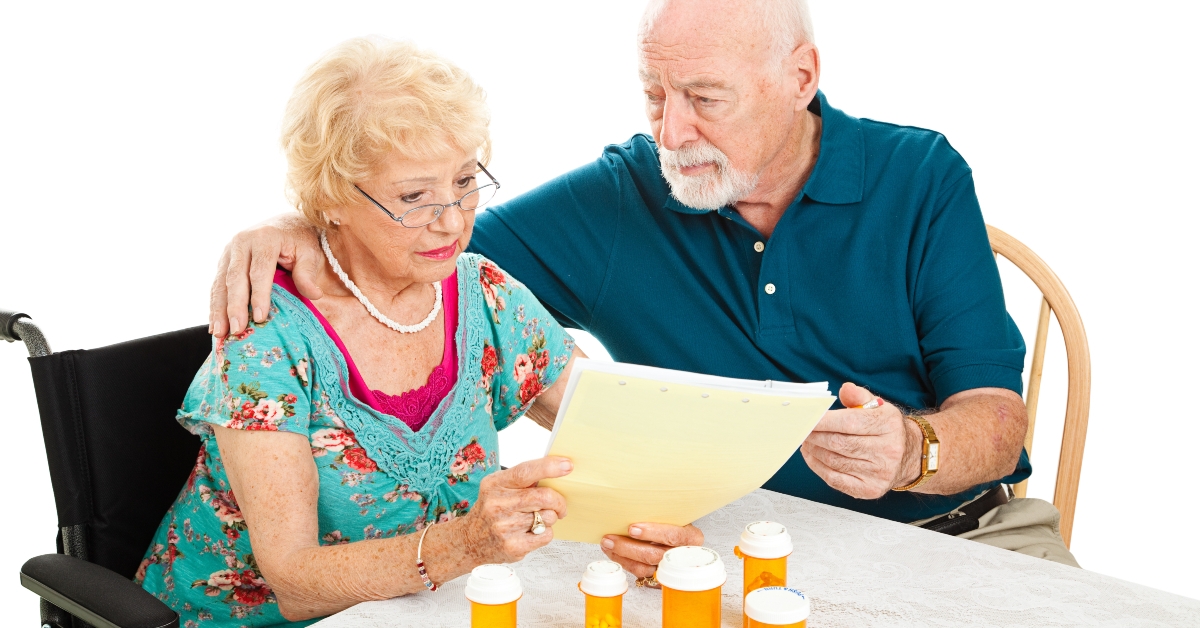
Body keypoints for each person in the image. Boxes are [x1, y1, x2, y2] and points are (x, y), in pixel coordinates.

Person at [209, 0, 1079, 574]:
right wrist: (310, 224)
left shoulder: (918, 175)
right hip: (740, 557)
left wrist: (914, 450)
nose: (671, 129)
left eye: (704, 97)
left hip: (962, 536)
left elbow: (998, 428)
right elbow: (421, 245)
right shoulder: (627, 193)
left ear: (801, 79)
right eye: (654, 92)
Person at [137, 38, 590, 626]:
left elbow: (611, 419)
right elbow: (295, 582)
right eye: (414, 196)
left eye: (463, 181)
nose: (451, 220)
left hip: (424, 612)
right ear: (332, 198)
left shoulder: (484, 293)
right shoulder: (269, 339)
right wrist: (468, 544)